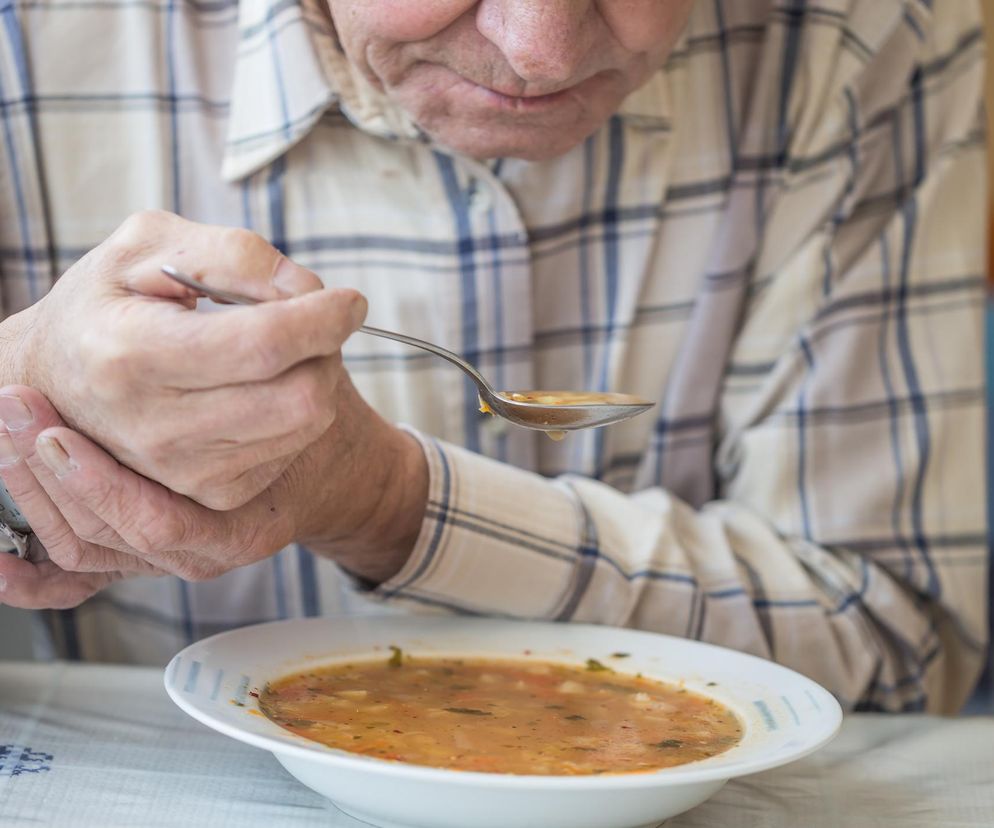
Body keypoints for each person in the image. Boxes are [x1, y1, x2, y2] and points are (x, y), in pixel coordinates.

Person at [0, 0, 987, 713]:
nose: (539, 50)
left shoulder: (869, 32)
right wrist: (18, 414)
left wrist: (388, 502)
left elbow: (899, 643)